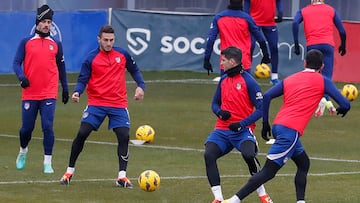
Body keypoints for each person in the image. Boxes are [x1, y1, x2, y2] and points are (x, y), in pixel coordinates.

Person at [221, 49, 350, 203]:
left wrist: (265, 123)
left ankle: (300, 201)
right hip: (291, 131)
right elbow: (345, 103)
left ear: (304, 63)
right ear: (322, 66)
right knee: (268, 172)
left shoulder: (291, 78)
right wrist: (343, 109)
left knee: (304, 163)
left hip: (278, 126)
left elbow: (267, 96)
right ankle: (234, 200)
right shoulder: (323, 80)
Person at [59, 25, 145, 187]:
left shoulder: (123, 54)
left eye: (111, 40)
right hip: (96, 103)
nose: (108, 43)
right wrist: (77, 92)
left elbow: (135, 70)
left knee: (124, 136)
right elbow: (82, 79)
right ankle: (69, 171)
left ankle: (122, 177)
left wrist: (141, 86)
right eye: (105, 40)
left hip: (118, 104)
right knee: (82, 133)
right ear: (99, 39)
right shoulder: (91, 59)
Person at [204, 46, 272, 203]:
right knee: (209, 154)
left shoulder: (249, 82)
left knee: (249, 155)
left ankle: (262, 194)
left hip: (243, 131)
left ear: (233, 61)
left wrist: (242, 124)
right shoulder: (223, 80)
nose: (221, 63)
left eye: (224, 60)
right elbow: (214, 104)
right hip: (222, 130)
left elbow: (261, 109)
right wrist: (219, 113)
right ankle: (218, 198)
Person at [13, 4, 69, 174]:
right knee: (26, 129)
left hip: (49, 93)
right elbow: (16, 63)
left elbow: (61, 67)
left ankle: (47, 162)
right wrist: (22, 78)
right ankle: (23, 151)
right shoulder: (26, 42)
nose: (46, 25)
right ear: (37, 22)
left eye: (49, 22)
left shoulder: (56, 44)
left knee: (47, 126)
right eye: (44, 21)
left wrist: (65, 88)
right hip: (30, 92)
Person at [292, 0, 347, 117]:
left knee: (313, 75)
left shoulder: (304, 10)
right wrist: (343, 45)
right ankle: (325, 100)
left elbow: (295, 23)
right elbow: (342, 30)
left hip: (313, 45)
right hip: (327, 45)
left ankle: (320, 100)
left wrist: (296, 43)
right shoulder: (331, 10)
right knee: (326, 76)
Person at [203, 0, 271, 76]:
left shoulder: (219, 18)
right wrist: (265, 55)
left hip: (227, 62)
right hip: (243, 61)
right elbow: (260, 39)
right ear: (242, 2)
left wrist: (207, 59)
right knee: (244, 87)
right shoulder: (247, 18)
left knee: (226, 87)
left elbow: (211, 40)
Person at [244, 0, 283, 85]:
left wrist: (280, 11)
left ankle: (274, 77)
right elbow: (247, 3)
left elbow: (279, 1)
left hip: (270, 23)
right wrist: (246, 16)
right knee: (250, 46)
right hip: (254, 22)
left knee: (274, 47)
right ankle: (246, 75)